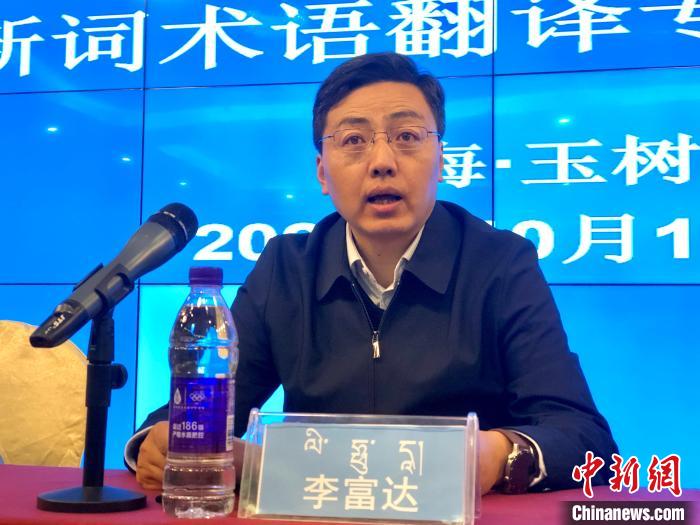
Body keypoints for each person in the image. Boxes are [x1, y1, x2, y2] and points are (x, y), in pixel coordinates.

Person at [128, 52, 617, 494]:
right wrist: (158, 442)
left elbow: (583, 438)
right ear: (322, 172)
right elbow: (199, 413)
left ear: (441, 160)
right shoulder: (286, 269)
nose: (382, 162)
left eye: (407, 137)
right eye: (354, 141)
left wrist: (498, 456)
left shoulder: (500, 263)